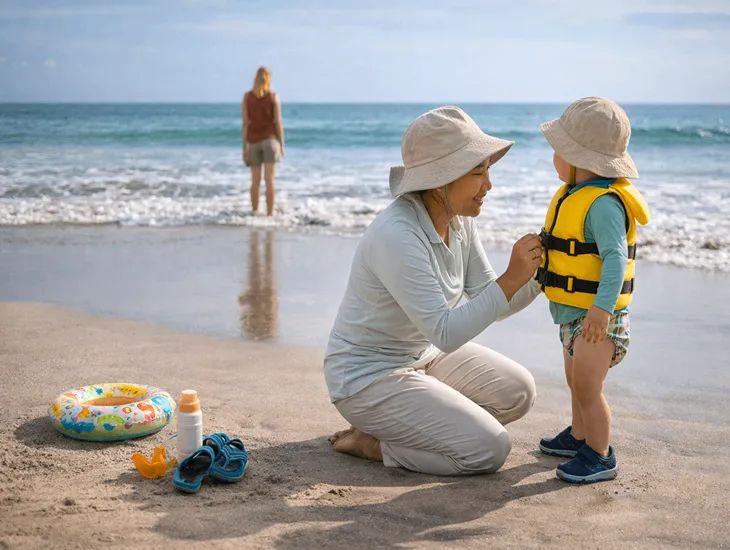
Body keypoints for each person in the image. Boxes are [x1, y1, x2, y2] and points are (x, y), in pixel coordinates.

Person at [324, 106, 544, 476]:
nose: (488, 184)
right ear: (442, 181)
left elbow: (494, 301)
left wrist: (542, 276)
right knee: (489, 449)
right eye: (478, 172)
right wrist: (510, 278)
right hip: (367, 378)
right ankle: (375, 443)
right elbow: (446, 332)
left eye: (488, 169)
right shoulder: (397, 234)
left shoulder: (458, 223)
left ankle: (415, 424)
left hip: (423, 358)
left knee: (520, 392)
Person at [536, 97, 650, 483]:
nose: (553, 158)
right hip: (574, 315)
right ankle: (579, 435)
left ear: (578, 158)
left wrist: (602, 310)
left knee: (588, 386)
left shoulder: (603, 205)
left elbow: (615, 261)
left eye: (557, 151)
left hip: (600, 319)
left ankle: (600, 455)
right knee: (574, 381)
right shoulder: (574, 196)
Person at [242, 66, 284, 217]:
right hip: (270, 141)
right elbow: (278, 122)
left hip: (253, 141)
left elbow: (246, 123)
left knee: (255, 181)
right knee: (270, 180)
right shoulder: (273, 97)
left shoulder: (247, 97)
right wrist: (282, 144)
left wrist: (244, 147)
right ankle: (269, 214)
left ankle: (254, 212)